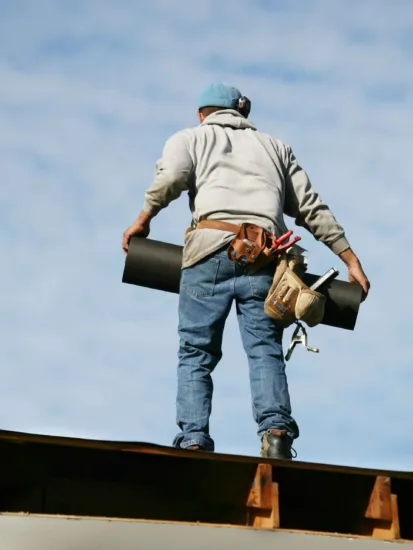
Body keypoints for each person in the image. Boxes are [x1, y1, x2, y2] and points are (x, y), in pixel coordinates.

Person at [122, 83, 370, 459]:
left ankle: (193, 438)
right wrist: (349, 258)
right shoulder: (275, 147)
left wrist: (143, 219)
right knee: (264, 350)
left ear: (202, 113)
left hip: (208, 253)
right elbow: (310, 207)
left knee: (196, 353)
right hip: (264, 261)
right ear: (242, 114)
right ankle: (276, 435)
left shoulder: (190, 138)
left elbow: (171, 176)